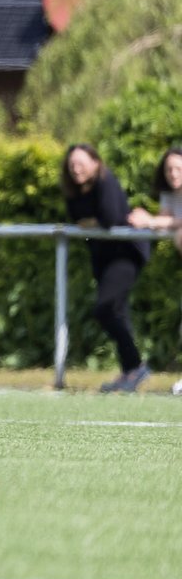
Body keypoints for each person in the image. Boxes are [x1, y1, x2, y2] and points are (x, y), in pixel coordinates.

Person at [61, 144, 151, 393]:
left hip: (125, 253)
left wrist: (92, 223)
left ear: (95, 162)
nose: (76, 169)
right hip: (101, 256)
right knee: (118, 312)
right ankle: (130, 373)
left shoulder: (106, 181)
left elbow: (111, 219)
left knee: (103, 309)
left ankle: (136, 365)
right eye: (72, 165)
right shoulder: (75, 190)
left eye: (80, 163)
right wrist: (92, 223)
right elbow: (76, 219)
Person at [127, 147, 182, 395]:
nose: (173, 173)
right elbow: (166, 221)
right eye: (169, 169)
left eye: (178, 168)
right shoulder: (170, 195)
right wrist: (149, 220)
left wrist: (149, 220)